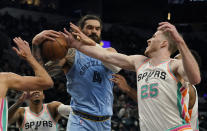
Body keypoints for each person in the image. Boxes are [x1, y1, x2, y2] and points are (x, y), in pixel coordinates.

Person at [63, 21, 201, 130]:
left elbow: (195, 78)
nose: (148, 40)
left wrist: (180, 42)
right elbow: (106, 56)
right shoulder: (139, 61)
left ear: (164, 43)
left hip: (176, 129)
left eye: (153, 37)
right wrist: (77, 44)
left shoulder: (174, 65)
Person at [32, 14, 121, 131]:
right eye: (89, 28)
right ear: (80, 30)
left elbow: (117, 67)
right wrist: (35, 45)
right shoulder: (70, 54)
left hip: (105, 122)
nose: (94, 31)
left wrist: (91, 44)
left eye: (97, 29)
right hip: (80, 122)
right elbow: (42, 76)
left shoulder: (109, 51)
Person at [0, 37, 54, 131]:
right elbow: (46, 82)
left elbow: (46, 82)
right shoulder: (4, 78)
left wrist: (29, 57)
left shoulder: (4, 79)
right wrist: (29, 57)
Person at [174, 50, 201, 131]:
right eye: (174, 59)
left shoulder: (188, 88)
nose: (173, 62)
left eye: (178, 60)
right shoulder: (175, 84)